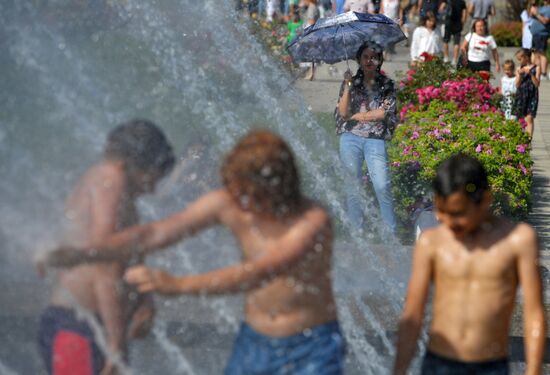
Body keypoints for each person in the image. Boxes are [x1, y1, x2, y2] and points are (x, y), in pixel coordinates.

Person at [45, 130, 346, 375]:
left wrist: (175, 285)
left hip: (311, 344)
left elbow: (256, 272)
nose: (240, 201)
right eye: (235, 190)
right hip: (254, 339)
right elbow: (155, 233)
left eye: (248, 193)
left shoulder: (312, 221)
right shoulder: (230, 201)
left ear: (278, 186)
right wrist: (83, 253)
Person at [37, 120, 175, 375]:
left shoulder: (106, 184)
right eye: (152, 177)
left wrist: (144, 299)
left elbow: (122, 254)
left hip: (87, 327)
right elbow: (105, 261)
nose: (153, 189)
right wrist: (115, 345)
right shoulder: (111, 179)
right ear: (131, 163)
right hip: (80, 327)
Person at [393, 153, 545, 375]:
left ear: (485, 200)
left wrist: (533, 371)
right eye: (441, 212)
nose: (448, 222)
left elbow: (534, 313)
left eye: (458, 213)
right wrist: (399, 370)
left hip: (489, 365)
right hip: (439, 364)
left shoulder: (518, 241)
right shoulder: (431, 243)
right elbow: (413, 315)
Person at [335, 41, 397, 234]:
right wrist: (347, 86)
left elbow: (382, 113)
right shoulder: (351, 83)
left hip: (374, 138)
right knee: (352, 186)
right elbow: (344, 112)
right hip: (350, 138)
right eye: (365, 57)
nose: (370, 61)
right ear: (359, 60)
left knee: (382, 185)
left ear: (379, 60)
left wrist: (358, 116)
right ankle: (357, 233)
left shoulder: (386, 84)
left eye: (374, 57)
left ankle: (390, 233)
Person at [515, 48, 541, 139]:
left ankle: (528, 140)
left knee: (529, 118)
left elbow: (537, 84)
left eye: (520, 59)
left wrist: (531, 74)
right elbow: (517, 84)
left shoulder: (536, 68)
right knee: (520, 118)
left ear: (526, 57)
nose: (519, 61)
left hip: (532, 95)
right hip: (521, 95)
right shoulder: (519, 68)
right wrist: (520, 75)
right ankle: (519, 138)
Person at [439, 0, 467, 64]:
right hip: (457, 23)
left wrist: (443, 17)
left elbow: (441, 9)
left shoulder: (448, 1)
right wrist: (462, 23)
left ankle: (446, 57)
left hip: (448, 22)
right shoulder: (462, 2)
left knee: (446, 40)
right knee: (456, 42)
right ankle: (454, 59)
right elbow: (464, 14)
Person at [529, 0, 550, 81]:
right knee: (535, 53)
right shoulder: (541, 7)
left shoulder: (548, 9)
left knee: (541, 53)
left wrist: (536, 14)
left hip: (542, 34)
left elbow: (545, 20)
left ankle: (544, 74)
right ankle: (539, 72)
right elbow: (532, 15)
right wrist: (533, 9)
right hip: (535, 34)